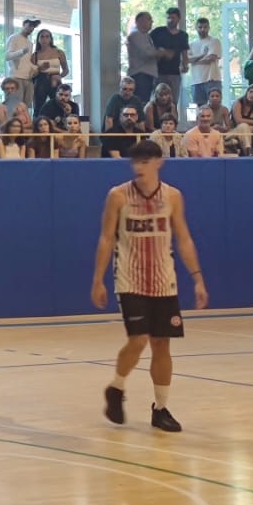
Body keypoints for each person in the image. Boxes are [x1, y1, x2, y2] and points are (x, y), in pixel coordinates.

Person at [91, 141, 207, 433]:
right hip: (129, 278)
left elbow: (184, 238)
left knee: (161, 344)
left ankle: (161, 408)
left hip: (164, 279)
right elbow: (106, 239)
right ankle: (117, 388)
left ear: (159, 162)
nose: (139, 167)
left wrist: (197, 278)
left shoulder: (173, 196)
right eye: (135, 162)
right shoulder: (118, 196)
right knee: (139, 339)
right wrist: (98, 280)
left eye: (145, 161)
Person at [149, 9, 189, 112]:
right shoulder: (158, 31)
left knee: (173, 99)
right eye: (168, 17)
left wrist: (185, 64)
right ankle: (156, 122)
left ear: (178, 19)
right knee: (157, 99)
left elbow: (184, 51)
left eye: (173, 17)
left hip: (174, 72)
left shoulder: (183, 35)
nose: (170, 20)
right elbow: (147, 44)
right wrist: (159, 52)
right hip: (158, 71)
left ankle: (172, 122)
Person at [30, 28, 68, 113]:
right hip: (40, 80)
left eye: (47, 37)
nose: (44, 39)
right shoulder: (35, 55)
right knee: (38, 107)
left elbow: (66, 70)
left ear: (50, 39)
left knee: (59, 105)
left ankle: (59, 124)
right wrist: (40, 69)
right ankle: (38, 123)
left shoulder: (59, 52)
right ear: (38, 39)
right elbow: (31, 74)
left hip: (55, 79)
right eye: (42, 37)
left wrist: (60, 76)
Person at [186, 17, 220, 109]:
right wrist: (202, 55)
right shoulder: (191, 45)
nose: (203, 29)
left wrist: (195, 60)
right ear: (196, 28)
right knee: (198, 107)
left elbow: (211, 58)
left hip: (212, 79)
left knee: (215, 106)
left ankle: (216, 123)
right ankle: (197, 123)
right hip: (196, 80)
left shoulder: (214, 41)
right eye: (200, 27)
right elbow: (187, 60)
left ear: (209, 28)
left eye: (205, 27)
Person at [3, 17, 39, 99]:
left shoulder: (30, 43)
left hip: (28, 78)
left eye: (33, 26)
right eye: (30, 25)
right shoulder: (14, 37)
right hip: (16, 77)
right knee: (14, 105)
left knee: (26, 107)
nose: (32, 28)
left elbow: (27, 61)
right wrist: (21, 52)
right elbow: (7, 56)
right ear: (23, 24)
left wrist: (36, 68)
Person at [125, 12, 158, 100]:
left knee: (145, 101)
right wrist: (162, 52)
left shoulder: (146, 36)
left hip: (147, 75)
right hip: (140, 74)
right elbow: (147, 53)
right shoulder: (136, 35)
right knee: (141, 102)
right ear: (140, 21)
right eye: (149, 19)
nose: (152, 22)